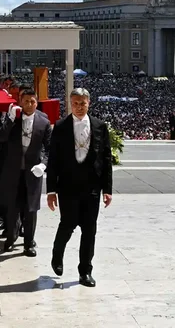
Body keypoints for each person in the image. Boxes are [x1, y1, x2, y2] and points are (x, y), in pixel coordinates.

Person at [46, 87, 113, 287]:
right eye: (75, 103)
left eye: (82, 103)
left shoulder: (100, 126)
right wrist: (51, 191)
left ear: (88, 103)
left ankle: (85, 271)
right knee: (67, 225)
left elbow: (106, 159)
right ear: (70, 104)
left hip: (92, 188)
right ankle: (57, 254)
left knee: (89, 230)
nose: (79, 107)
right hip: (67, 187)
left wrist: (107, 189)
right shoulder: (60, 127)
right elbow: (53, 161)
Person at [0, 88, 51, 256]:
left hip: (33, 173)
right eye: (26, 101)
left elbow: (49, 150)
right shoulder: (12, 118)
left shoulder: (44, 122)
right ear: (20, 101)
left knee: (31, 209)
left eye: (32, 101)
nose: (29, 105)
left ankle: (28, 243)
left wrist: (43, 165)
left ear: (37, 102)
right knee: (13, 207)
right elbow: (0, 137)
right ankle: (11, 238)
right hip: (13, 171)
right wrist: (10, 120)